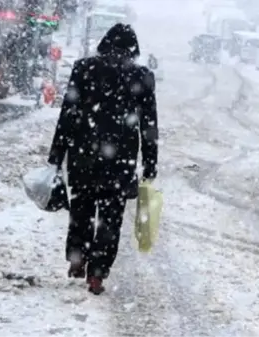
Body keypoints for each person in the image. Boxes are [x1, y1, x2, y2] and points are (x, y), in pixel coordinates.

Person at [47, 23, 158, 295]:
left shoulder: (84, 69)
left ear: (104, 44)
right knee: (110, 220)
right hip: (120, 162)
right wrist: (150, 162)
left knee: (81, 211)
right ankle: (97, 274)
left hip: (84, 156)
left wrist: (57, 153)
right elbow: (149, 123)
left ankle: (78, 259)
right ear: (134, 50)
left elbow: (68, 113)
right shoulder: (142, 76)